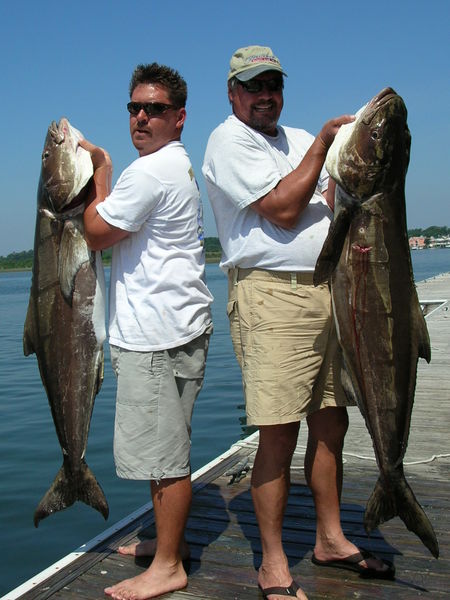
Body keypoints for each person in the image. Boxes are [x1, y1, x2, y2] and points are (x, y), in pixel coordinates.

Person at [202, 45, 394, 600]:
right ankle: (273, 562)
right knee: (279, 431)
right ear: (233, 93)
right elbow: (285, 209)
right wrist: (324, 148)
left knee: (332, 420)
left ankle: (331, 539)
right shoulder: (228, 140)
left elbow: (336, 198)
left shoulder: (300, 138)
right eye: (254, 86)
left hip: (329, 293)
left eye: (274, 85)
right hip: (273, 300)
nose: (266, 96)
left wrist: (357, 152)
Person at [82, 62, 213, 600]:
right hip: (178, 328)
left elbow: (95, 232)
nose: (141, 117)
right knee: (167, 446)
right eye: (134, 108)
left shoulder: (149, 171)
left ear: (179, 118)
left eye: (154, 109)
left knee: (164, 458)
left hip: (157, 337)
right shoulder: (176, 166)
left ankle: (168, 565)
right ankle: (164, 543)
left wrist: (102, 172)